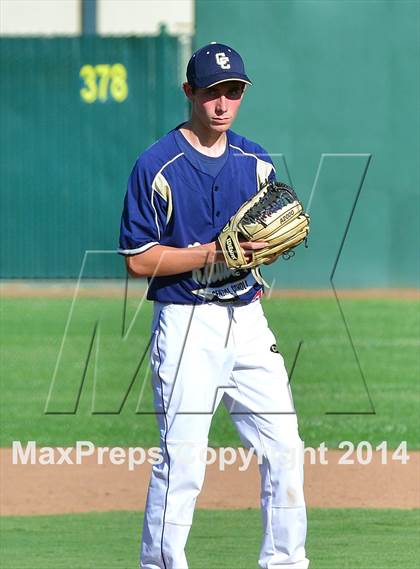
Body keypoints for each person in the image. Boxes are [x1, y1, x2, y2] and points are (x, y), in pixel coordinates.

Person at [119, 42, 309, 569]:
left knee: (285, 450)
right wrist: (207, 254)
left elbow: (268, 234)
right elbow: (138, 259)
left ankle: (287, 562)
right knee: (183, 465)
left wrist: (257, 258)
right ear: (190, 93)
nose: (223, 104)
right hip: (186, 325)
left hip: (247, 321)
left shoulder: (256, 163)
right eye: (211, 93)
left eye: (233, 92)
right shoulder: (157, 165)